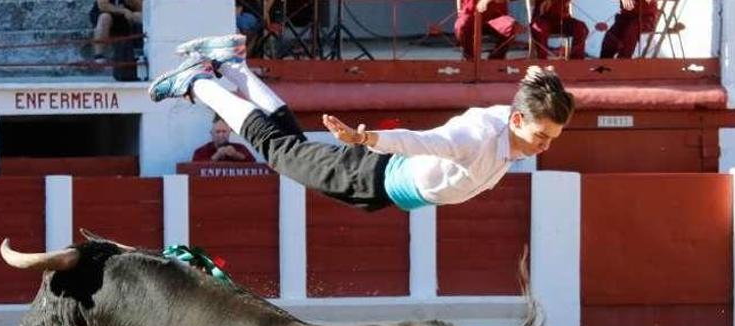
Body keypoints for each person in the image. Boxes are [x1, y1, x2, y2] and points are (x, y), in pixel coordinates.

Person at [149, 34, 574, 212]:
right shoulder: (477, 135)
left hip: (382, 187)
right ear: (518, 120)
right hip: (373, 175)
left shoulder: (512, 120)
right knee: (280, 151)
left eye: (552, 137)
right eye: (542, 135)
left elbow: (531, 93)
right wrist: (365, 137)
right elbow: (423, 140)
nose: (545, 146)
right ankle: (200, 84)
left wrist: (540, 78)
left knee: (290, 141)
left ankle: (235, 65)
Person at [454, 0, 524, 60]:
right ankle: (470, 57)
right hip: (471, 15)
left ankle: (495, 59)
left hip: (495, 17)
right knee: (461, 25)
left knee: (514, 27)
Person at [192, 114, 257, 162]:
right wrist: (216, 156)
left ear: (229, 133)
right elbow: (194, 171)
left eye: (224, 131)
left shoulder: (240, 148)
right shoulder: (201, 151)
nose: (221, 135)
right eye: (218, 132)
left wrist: (236, 155)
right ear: (212, 133)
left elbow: (256, 167)